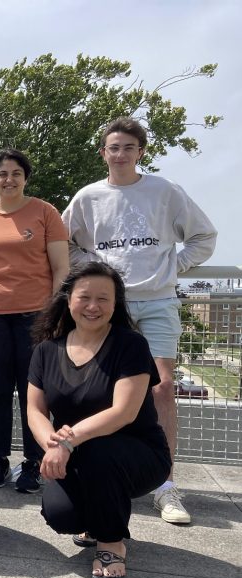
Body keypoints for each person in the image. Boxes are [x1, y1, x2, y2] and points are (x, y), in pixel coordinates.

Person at [63, 117, 217, 525]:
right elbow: (63, 243)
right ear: (103, 153)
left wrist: (174, 266)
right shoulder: (88, 197)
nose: (120, 154)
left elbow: (204, 236)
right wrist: (93, 266)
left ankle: (165, 486)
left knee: (162, 388)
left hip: (158, 302)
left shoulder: (165, 191)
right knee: (103, 391)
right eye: (113, 147)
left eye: (129, 147)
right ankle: (104, 472)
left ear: (141, 151)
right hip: (109, 305)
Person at [28, 262, 171, 578]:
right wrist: (52, 445)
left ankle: (111, 542)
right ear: (68, 300)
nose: (93, 306)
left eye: (103, 299)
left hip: (137, 454)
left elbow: (123, 412)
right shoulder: (46, 350)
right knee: (60, 514)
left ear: (116, 303)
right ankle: (97, 520)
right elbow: (35, 411)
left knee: (99, 452)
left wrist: (67, 442)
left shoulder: (130, 345)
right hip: (74, 450)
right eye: (85, 297)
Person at [0, 149, 69, 493]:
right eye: (2, 174)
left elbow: (61, 268)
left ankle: (33, 463)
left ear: (25, 178)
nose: (8, 179)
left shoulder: (44, 212)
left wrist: (55, 313)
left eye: (15, 173)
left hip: (35, 314)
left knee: (33, 391)